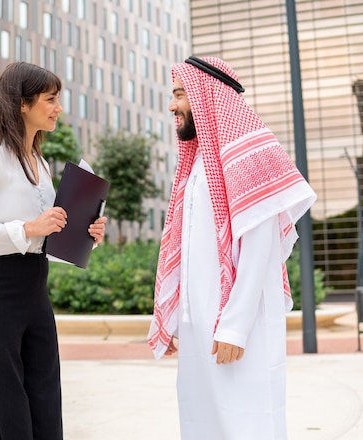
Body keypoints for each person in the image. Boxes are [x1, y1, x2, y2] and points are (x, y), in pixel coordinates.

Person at [148, 56, 317, 439]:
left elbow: (260, 248)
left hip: (237, 326)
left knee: (247, 422)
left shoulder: (248, 156)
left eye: (179, 95)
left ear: (207, 97)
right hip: (200, 327)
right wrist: (176, 317)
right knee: (201, 422)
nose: (172, 106)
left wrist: (236, 327)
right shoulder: (196, 165)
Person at [0, 61, 107, 440]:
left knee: (44, 403)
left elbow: (46, 239)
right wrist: (27, 228)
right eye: (51, 99)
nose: (58, 108)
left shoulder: (40, 163)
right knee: (5, 411)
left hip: (35, 293)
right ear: (22, 104)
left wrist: (84, 233)